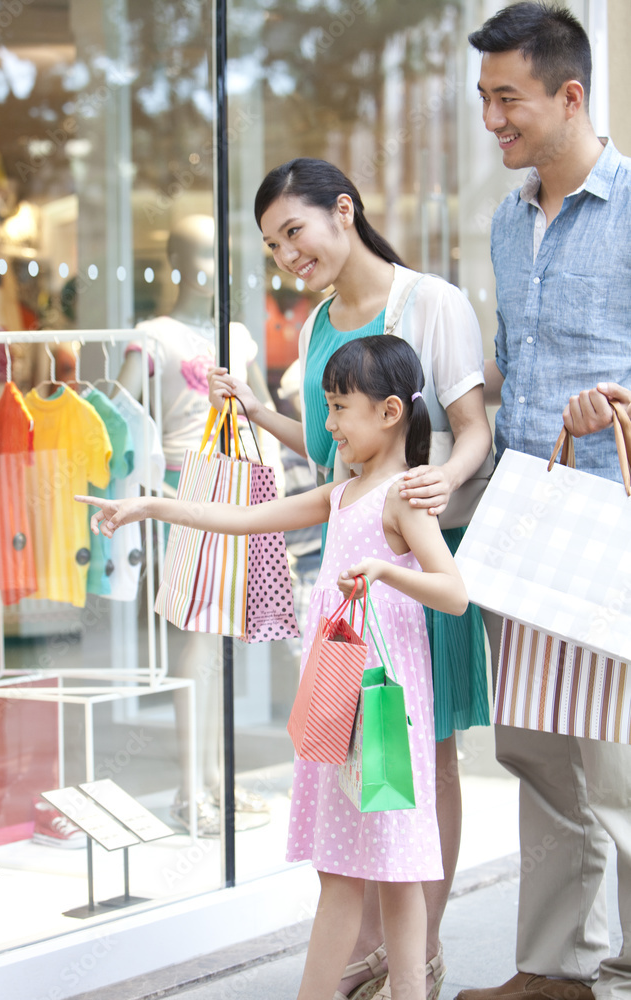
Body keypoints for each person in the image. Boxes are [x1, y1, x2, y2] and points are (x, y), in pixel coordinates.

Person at [77, 334, 469, 1000]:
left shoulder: (401, 495)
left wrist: (383, 571)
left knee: (397, 871)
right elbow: (242, 517)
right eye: (328, 407)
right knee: (340, 868)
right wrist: (151, 506)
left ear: (389, 411)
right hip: (335, 703)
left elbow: (454, 593)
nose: (328, 425)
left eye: (339, 407)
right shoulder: (342, 493)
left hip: (383, 708)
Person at [207, 157, 492, 1000]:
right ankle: (381, 958)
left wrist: (442, 480)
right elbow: (335, 454)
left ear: (343, 210)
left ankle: (420, 952)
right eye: (270, 244)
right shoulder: (316, 325)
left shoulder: (432, 301)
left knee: (420, 762)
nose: (286, 253)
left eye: (293, 230)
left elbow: (471, 427)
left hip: (417, 558)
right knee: (360, 768)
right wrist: (259, 411)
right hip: (360, 569)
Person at [461, 6, 631, 1000]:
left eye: (507, 98)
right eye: (483, 99)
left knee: (611, 756)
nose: (492, 119)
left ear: (569, 96)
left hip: (609, 519)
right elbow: (514, 361)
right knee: (531, 742)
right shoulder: (503, 224)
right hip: (524, 513)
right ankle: (557, 967)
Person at [117, 214, 273, 837]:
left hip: (237, 491)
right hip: (186, 488)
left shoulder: (235, 334)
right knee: (199, 636)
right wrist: (147, 481)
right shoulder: (152, 336)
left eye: (219, 256)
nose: (213, 270)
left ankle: (213, 781)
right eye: (202, 256)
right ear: (178, 262)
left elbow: (258, 412)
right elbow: (118, 409)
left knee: (220, 639)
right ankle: (191, 789)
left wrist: (274, 484)